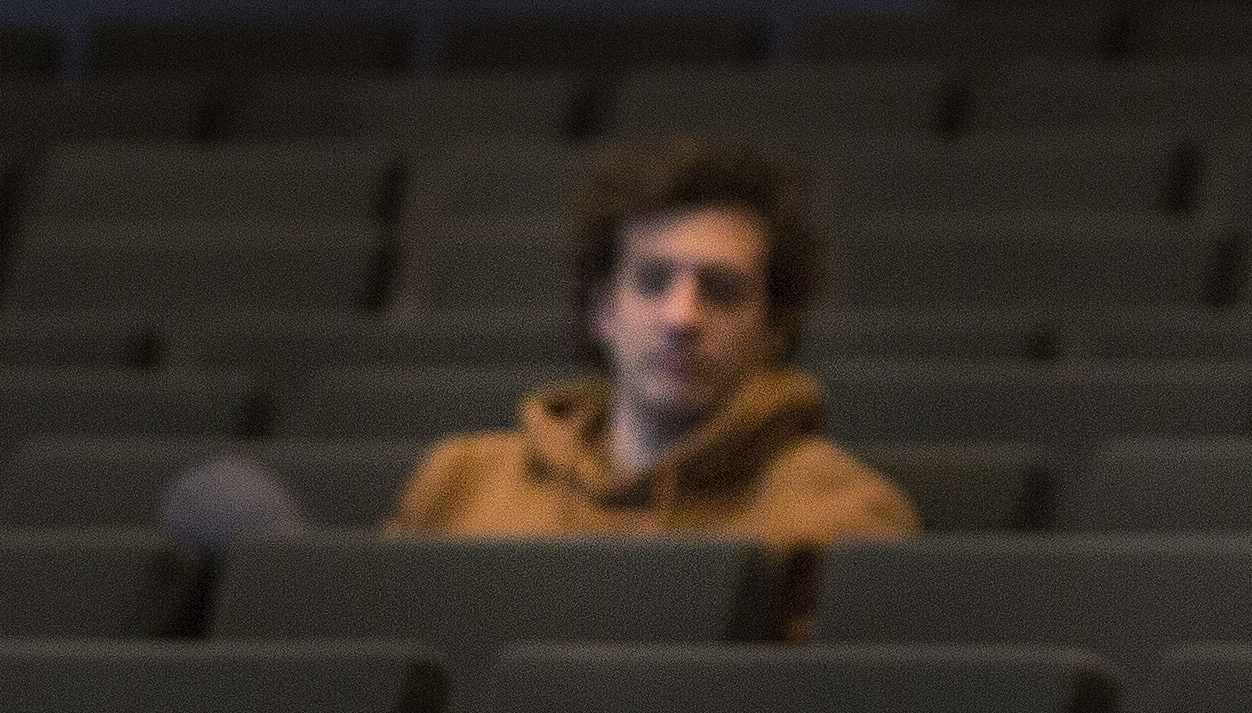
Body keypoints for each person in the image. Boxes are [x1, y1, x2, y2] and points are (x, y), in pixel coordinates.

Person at [383, 136, 917, 562]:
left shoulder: (843, 514)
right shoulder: (460, 483)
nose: (681, 317)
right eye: (653, 281)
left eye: (722, 290)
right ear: (603, 310)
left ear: (774, 329)